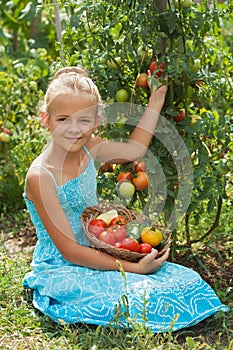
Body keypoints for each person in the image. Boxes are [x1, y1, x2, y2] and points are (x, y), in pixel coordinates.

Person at [22, 66, 228, 332]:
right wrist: (134, 269)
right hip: (62, 266)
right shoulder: (41, 176)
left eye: (84, 120)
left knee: (186, 281)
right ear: (46, 120)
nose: (74, 129)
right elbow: (70, 251)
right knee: (141, 296)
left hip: (100, 250)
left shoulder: (89, 147)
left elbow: (134, 149)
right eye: (63, 119)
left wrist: (156, 100)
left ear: (96, 121)